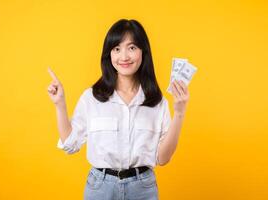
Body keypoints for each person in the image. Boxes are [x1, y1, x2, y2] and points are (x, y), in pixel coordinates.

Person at [47, 19, 189, 200]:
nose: (124, 57)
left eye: (132, 48)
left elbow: (163, 158)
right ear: (109, 55)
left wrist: (180, 112)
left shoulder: (157, 102)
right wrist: (60, 104)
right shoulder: (92, 97)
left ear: (143, 52)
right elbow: (70, 144)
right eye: (116, 49)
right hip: (100, 188)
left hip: (143, 188)